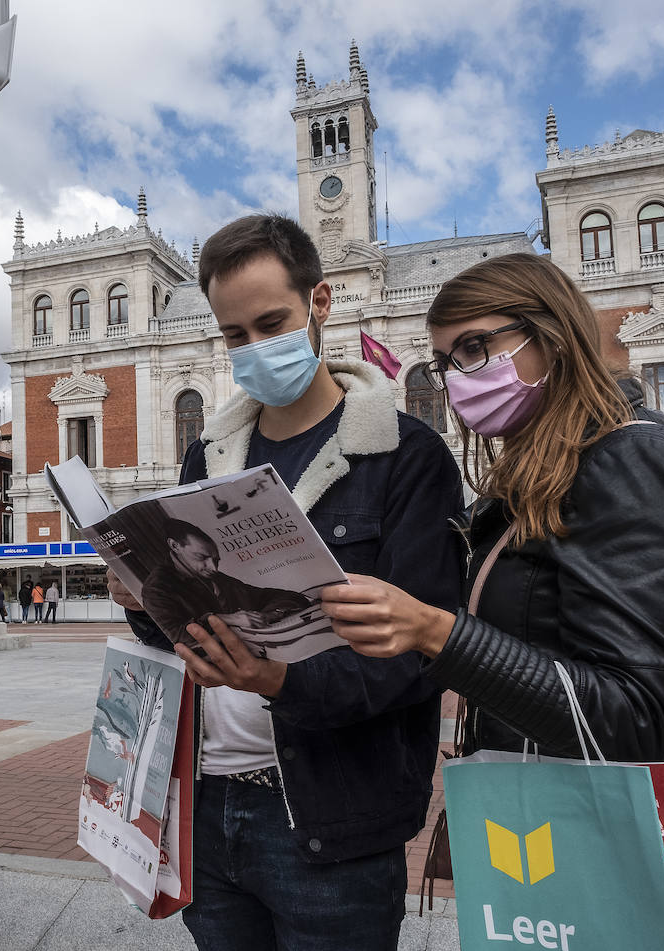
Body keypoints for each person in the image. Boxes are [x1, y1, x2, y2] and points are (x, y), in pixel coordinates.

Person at [322, 252, 664, 926]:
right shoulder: (541, 473)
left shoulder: (635, 461)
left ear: (551, 334)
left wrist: (436, 631)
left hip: (629, 848)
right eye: (445, 361)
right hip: (546, 831)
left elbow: (635, 716)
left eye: (476, 347)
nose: (459, 377)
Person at [108, 213, 463, 951]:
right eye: (234, 334)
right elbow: (186, 631)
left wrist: (279, 681)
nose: (254, 346)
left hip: (331, 819)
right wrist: (144, 596)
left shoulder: (406, 456)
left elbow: (420, 658)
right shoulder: (209, 456)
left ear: (320, 303)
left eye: (272, 322)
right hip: (207, 805)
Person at [140, 519, 313, 650]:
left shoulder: (216, 578)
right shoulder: (156, 587)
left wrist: (268, 615)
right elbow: (175, 637)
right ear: (175, 545)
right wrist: (223, 620)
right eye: (201, 558)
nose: (214, 567)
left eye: (215, 560)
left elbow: (284, 597)